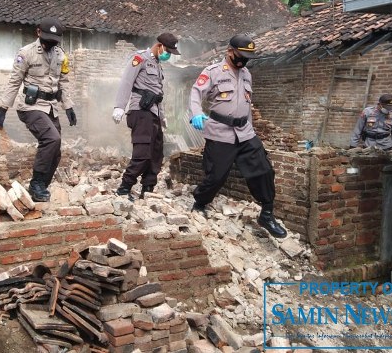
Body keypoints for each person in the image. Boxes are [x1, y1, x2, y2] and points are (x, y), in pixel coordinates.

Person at [189, 34, 287, 238]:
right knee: (216, 176)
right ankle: (200, 202)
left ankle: (267, 213)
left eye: (247, 57)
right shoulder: (213, 72)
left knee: (264, 170)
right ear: (230, 51)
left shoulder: (247, 74)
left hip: (245, 132)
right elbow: (196, 93)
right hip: (220, 132)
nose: (244, 60)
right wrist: (196, 113)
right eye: (240, 55)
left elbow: (247, 105)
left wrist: (252, 130)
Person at [0, 17, 77, 202]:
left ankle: (41, 187)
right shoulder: (26, 53)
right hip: (30, 106)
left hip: (51, 106)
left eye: (54, 41)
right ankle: (36, 183)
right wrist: (3, 109)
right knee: (51, 139)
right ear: (38, 32)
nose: (49, 44)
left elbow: (64, 82)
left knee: (56, 149)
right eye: (46, 40)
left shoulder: (61, 55)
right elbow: (14, 81)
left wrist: (68, 107)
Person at [112, 33, 180, 201]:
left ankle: (148, 188)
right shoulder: (139, 58)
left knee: (156, 154)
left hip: (154, 113)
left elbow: (158, 93)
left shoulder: (157, 65)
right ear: (159, 46)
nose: (168, 55)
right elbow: (126, 81)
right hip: (140, 111)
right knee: (142, 152)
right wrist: (119, 106)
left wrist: (162, 116)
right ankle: (124, 188)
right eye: (168, 51)